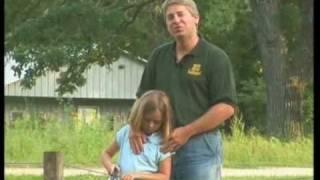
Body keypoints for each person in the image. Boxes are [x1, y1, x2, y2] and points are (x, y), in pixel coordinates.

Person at [131, 0, 237, 179]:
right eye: (170, 17)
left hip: (200, 147)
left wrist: (187, 131)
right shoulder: (159, 56)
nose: (176, 20)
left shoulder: (215, 58)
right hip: (159, 145)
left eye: (181, 15)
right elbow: (142, 98)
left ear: (196, 18)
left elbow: (226, 107)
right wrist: (134, 127)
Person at [101, 90, 173, 180]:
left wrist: (136, 175)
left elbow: (165, 176)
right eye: (147, 120)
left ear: (163, 121)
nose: (151, 125)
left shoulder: (162, 142)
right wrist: (110, 167)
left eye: (156, 122)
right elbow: (106, 154)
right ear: (139, 115)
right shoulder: (126, 132)